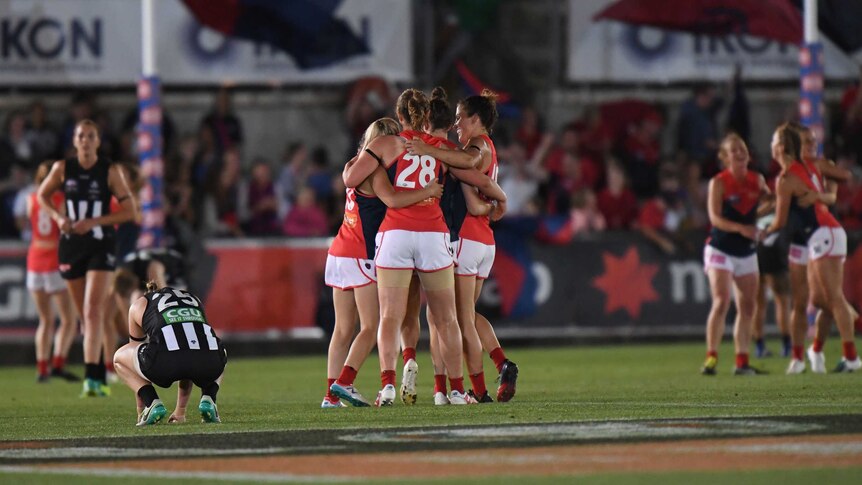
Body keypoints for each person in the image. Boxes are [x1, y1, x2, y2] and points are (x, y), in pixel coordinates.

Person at [340, 89, 476, 406]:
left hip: (396, 233)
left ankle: (388, 385)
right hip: (432, 234)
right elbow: (470, 162)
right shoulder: (438, 146)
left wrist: (358, 165)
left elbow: (350, 180)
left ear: (399, 116)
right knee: (446, 319)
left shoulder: (386, 144)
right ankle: (456, 391)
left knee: (389, 317)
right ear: (426, 116)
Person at [407, 88, 519, 402]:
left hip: (466, 240)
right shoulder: (488, 149)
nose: (457, 125)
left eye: (461, 119)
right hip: (484, 240)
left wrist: (430, 150)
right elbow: (477, 191)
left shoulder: (477, 146)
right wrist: (496, 201)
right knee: (466, 314)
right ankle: (501, 362)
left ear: (475, 119)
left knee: (458, 320)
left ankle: (478, 390)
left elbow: (467, 170)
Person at [324, 118, 442, 408]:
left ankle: (329, 397)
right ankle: (345, 383)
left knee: (342, 329)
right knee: (370, 326)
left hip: (338, 250)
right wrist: (427, 192)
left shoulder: (352, 164)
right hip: (361, 253)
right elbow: (391, 200)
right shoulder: (377, 172)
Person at [36, 119, 136, 396]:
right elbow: (42, 195)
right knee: (84, 316)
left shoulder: (110, 170)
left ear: (98, 141)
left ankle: (94, 379)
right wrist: (58, 217)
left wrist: (94, 222)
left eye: (91, 136)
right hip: (71, 246)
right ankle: (95, 372)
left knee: (93, 311)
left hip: (100, 244)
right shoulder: (62, 168)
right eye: (81, 136)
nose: (86, 141)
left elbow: (131, 212)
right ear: (75, 140)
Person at [764, 123, 860, 373]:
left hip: (820, 233)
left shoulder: (814, 165)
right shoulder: (798, 169)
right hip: (803, 237)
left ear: (782, 147)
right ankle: (805, 355)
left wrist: (822, 196)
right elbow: (794, 198)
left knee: (830, 298)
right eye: (806, 141)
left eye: (813, 141)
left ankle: (847, 353)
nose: (811, 145)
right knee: (809, 300)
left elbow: (833, 191)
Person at [701, 133, 769, 376]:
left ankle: (742, 361)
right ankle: (711, 357)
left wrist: (769, 219)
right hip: (721, 248)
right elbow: (715, 219)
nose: (740, 154)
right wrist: (743, 228)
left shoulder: (757, 181)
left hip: (746, 251)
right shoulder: (719, 182)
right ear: (725, 158)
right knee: (721, 300)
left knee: (748, 306)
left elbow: (770, 203)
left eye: (742, 149)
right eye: (734, 151)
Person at [113, 283, 227, 425]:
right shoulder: (194, 298)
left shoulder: (139, 304)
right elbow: (190, 348)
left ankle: (152, 403)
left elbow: (133, 355)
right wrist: (181, 410)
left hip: (164, 364)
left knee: (119, 358)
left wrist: (140, 409)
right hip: (209, 364)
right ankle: (209, 399)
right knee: (216, 349)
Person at [26, 161, 79, 383]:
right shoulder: (60, 200)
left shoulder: (31, 199)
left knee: (45, 320)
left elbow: (30, 223)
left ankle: (41, 367)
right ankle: (57, 363)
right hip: (53, 261)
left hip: (34, 259)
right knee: (68, 319)